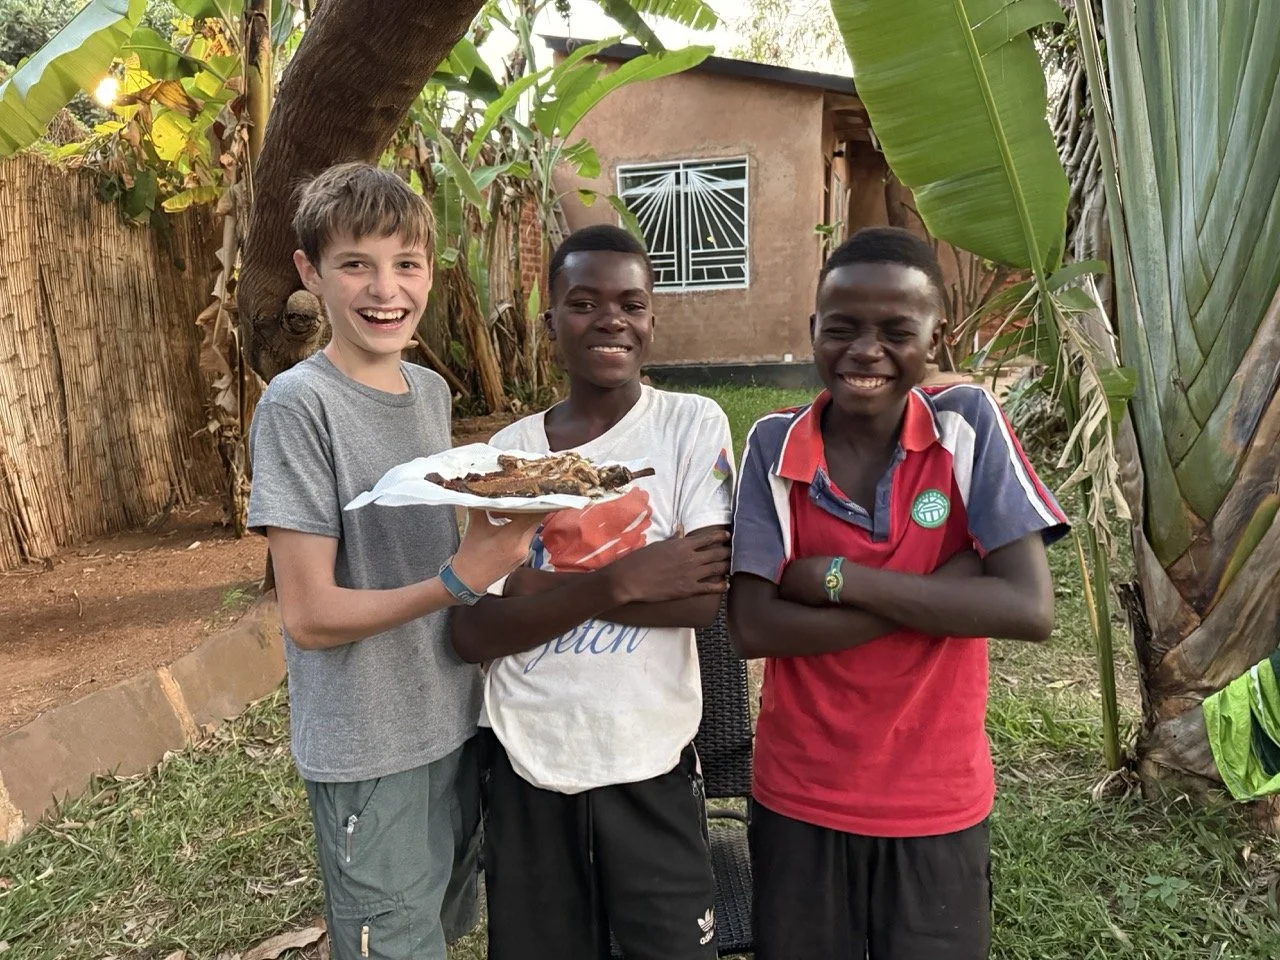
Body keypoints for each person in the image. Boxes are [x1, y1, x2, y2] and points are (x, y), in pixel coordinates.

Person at [728, 227, 1069, 960]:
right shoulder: (773, 445)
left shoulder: (967, 425)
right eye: (842, 328)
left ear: (935, 338)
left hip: (935, 796)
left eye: (896, 330)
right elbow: (753, 626)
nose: (866, 350)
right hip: (802, 791)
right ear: (814, 330)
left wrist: (837, 580)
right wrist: (945, 590)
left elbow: (1027, 609)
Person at [246, 162, 541, 960]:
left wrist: (501, 528)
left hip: (454, 719)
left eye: (406, 263)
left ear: (430, 271)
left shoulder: (428, 391)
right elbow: (310, 617)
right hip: (371, 744)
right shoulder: (299, 405)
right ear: (311, 272)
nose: (386, 289)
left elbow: (430, 534)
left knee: (438, 929)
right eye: (356, 264)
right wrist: (455, 582)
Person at [452, 224, 734, 960]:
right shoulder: (506, 455)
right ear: (550, 322)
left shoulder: (689, 425)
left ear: (651, 321)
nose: (610, 319)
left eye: (631, 304)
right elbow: (471, 632)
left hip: (649, 756)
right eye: (583, 303)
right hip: (527, 756)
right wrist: (625, 577)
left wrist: (532, 587)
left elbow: (701, 599)